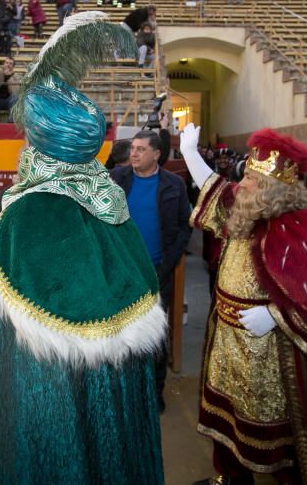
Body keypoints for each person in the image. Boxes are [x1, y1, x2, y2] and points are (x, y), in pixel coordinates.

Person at [0, 11, 166, 484]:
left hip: (39, 404)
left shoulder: (19, 220)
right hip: (113, 402)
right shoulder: (113, 209)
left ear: (35, 145)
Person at [179, 124, 307, 485]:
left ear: (275, 190)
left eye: (253, 182)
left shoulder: (305, 226)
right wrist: (190, 154)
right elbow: (218, 191)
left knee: (278, 434)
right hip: (227, 339)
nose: (243, 186)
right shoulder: (244, 210)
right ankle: (230, 477)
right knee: (225, 417)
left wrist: (274, 315)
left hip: (269, 350)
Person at [110, 131, 191, 413]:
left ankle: (154, 392)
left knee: (155, 335)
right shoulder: (116, 180)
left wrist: (169, 261)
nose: (134, 154)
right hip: (122, 271)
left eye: (141, 149)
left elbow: (184, 226)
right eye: (132, 148)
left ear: (157, 154)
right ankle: (124, 390)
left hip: (158, 272)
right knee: (120, 332)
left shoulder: (174, 185)